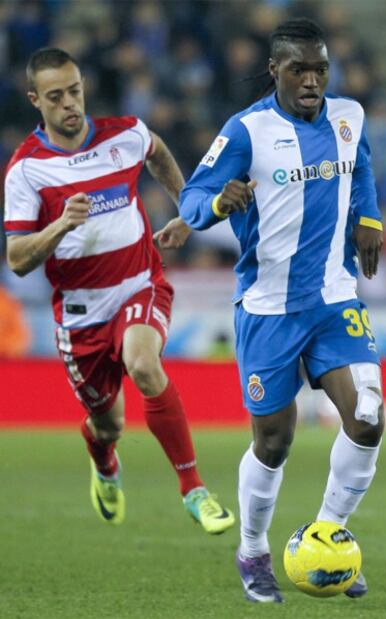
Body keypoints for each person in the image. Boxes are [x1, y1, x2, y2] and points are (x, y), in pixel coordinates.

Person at [155, 18, 384, 602]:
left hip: (335, 298)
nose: (312, 80)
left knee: (367, 418)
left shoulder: (347, 116)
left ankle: (331, 534)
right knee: (274, 441)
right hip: (268, 309)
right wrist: (216, 203)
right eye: (299, 70)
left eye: (320, 69)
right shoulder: (246, 131)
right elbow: (193, 198)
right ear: (274, 71)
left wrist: (369, 220)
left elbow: (360, 168)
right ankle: (253, 551)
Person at [3, 47, 235, 535]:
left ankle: (194, 490)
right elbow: (18, 259)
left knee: (145, 364)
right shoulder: (26, 171)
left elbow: (158, 153)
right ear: (34, 100)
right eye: (55, 96)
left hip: (140, 284)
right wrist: (60, 226)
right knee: (107, 424)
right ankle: (105, 461)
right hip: (82, 315)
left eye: (75, 90)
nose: (69, 103)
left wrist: (187, 211)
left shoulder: (125, 134)